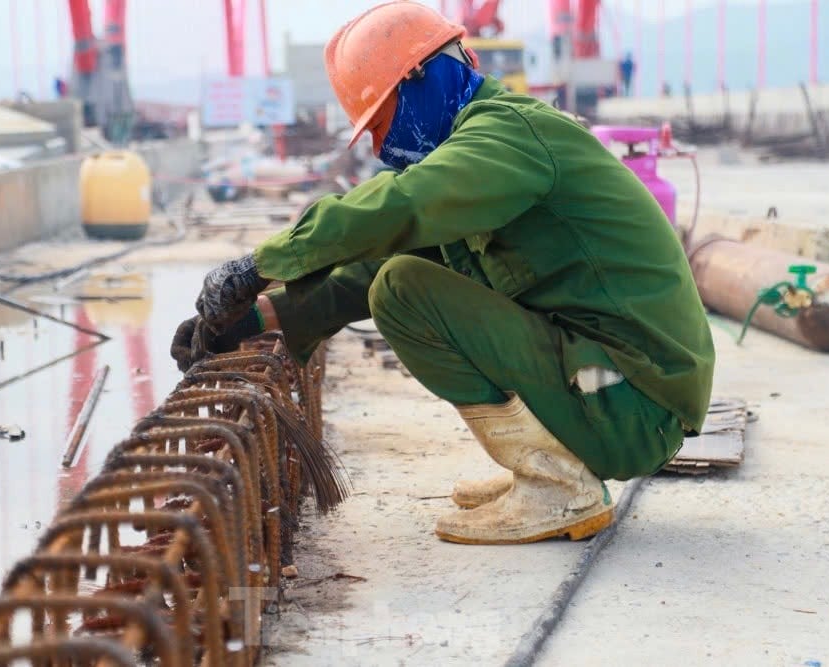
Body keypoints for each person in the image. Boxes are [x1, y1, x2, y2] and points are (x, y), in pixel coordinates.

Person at [171, 2, 714, 546]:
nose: (383, 148)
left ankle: (558, 485)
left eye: (381, 122)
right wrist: (258, 318)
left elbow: (404, 205)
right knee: (400, 275)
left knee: (402, 292)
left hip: (634, 403)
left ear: (421, 78)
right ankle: (546, 465)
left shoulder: (508, 135)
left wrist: (262, 263)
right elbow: (372, 267)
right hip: (615, 389)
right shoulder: (485, 156)